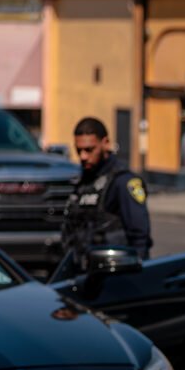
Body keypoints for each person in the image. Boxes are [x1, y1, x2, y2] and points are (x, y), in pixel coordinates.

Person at [59, 117, 152, 274]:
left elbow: (140, 238)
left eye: (89, 150)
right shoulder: (83, 181)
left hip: (114, 276)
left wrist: (137, 277)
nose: (82, 156)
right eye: (79, 150)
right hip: (83, 274)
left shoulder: (124, 182)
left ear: (105, 143)